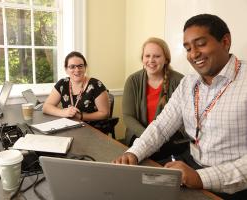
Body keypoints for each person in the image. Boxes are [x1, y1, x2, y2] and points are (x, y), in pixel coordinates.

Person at [113, 14, 247, 199]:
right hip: (190, 165)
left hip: (233, 185)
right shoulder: (188, 83)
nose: (193, 54)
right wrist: (134, 153)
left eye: (200, 44)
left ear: (225, 41)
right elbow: (161, 126)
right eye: (188, 48)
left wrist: (201, 178)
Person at [123, 37, 188, 163]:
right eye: (147, 56)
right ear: (142, 58)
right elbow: (127, 116)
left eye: (157, 56)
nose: (151, 60)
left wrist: (157, 139)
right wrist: (147, 137)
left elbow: (184, 119)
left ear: (166, 59)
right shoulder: (132, 81)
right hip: (139, 132)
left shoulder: (180, 81)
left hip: (170, 136)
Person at [43, 51, 110, 123]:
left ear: (85, 67)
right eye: (72, 67)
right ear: (66, 69)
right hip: (69, 125)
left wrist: (81, 116)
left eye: (80, 66)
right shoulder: (62, 83)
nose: (77, 70)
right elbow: (46, 107)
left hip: (92, 128)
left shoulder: (96, 85)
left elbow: (105, 113)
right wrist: (63, 113)